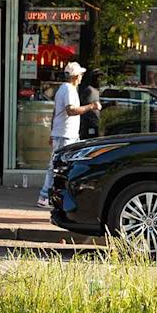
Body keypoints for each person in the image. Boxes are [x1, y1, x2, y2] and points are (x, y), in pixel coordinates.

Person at [38, 62, 101, 207]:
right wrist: (92, 106)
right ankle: (45, 196)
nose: (81, 77)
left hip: (64, 134)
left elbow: (56, 113)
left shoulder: (62, 89)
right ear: (75, 76)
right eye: (80, 75)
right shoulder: (69, 90)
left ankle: (52, 196)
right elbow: (71, 110)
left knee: (60, 166)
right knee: (57, 166)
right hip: (65, 135)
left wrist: (52, 133)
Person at [79, 70, 102, 140]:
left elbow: (98, 107)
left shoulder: (97, 91)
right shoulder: (89, 90)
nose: (100, 80)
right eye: (98, 78)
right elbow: (85, 106)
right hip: (89, 124)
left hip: (95, 123)